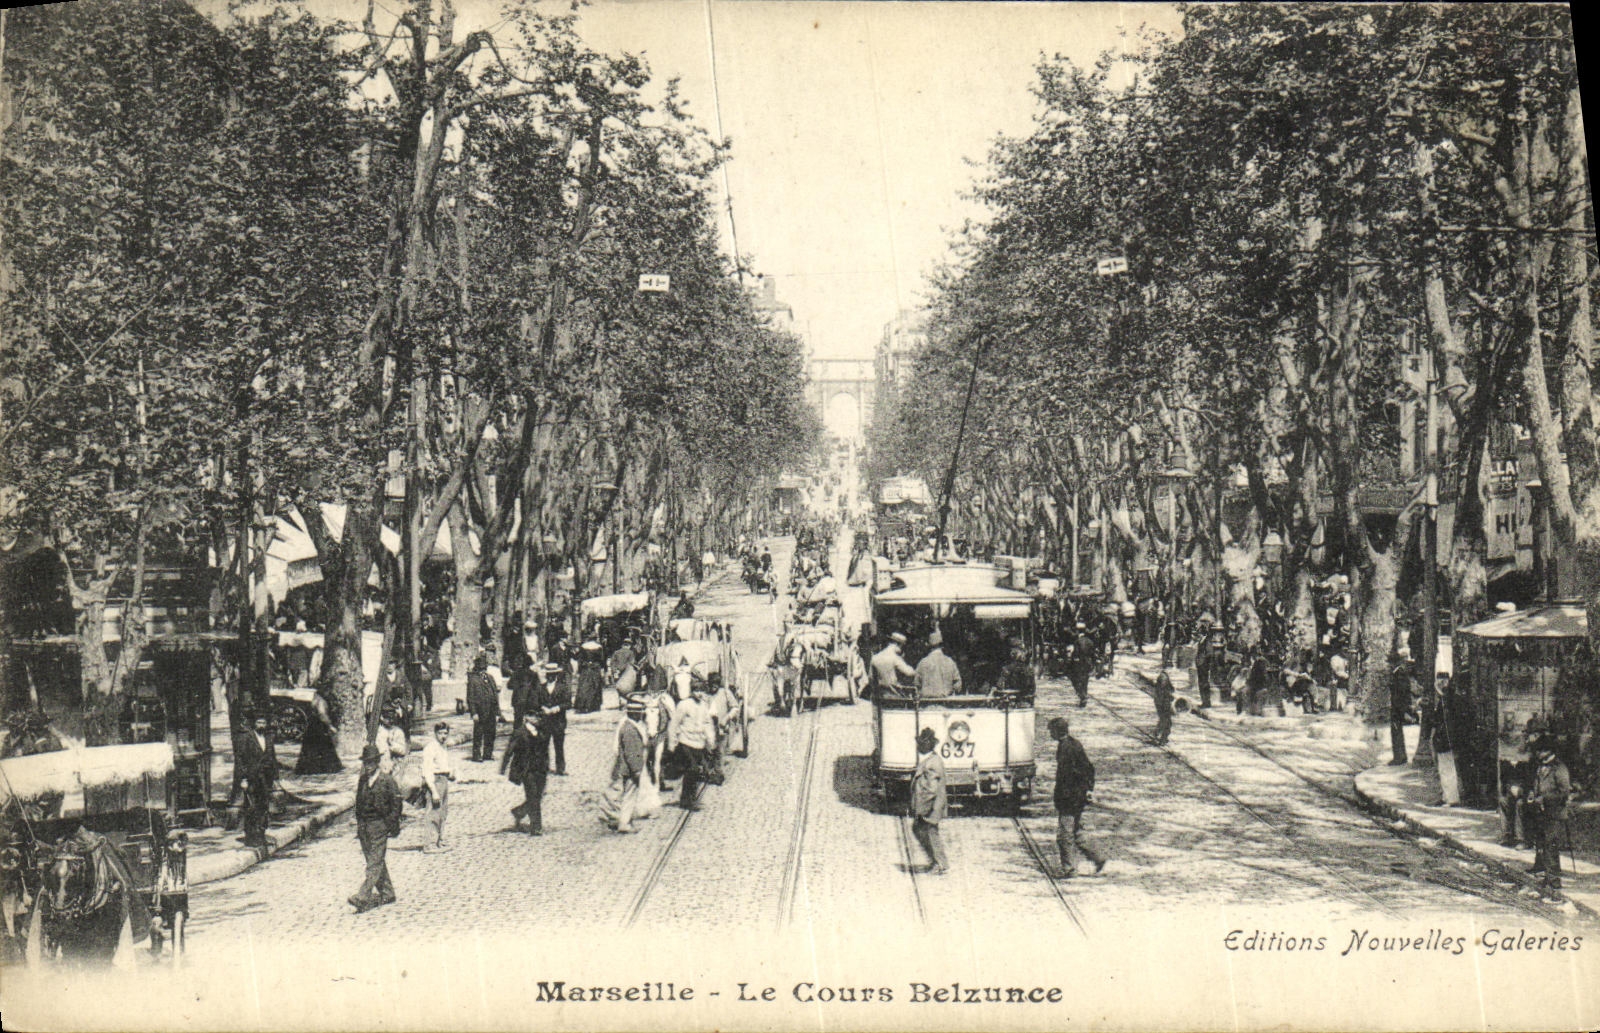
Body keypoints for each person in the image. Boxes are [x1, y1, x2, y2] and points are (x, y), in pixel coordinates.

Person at [1050, 716, 1106, 877]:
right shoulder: (1075, 743)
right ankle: (1098, 858)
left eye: (1051, 731)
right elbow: (1089, 768)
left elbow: (1066, 778)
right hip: (1077, 798)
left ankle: (1069, 869)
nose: (1050, 734)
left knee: (1064, 835)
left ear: (1057, 731)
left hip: (1069, 799)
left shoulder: (1065, 748)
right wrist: (1088, 789)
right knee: (1077, 832)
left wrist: (1064, 798)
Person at [349, 744, 402, 913]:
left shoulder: (387, 780)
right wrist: (359, 826)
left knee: (374, 862)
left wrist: (389, 824)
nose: (368, 765)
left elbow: (397, 804)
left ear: (377, 762)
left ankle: (363, 895)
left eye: (371, 762)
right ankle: (387, 892)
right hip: (365, 827)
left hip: (380, 825)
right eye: (366, 762)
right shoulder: (363, 780)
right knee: (374, 860)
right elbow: (358, 804)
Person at [1526, 734, 1571, 896]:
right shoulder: (1540, 767)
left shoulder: (1559, 768)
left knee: (1551, 845)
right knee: (1542, 844)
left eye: (1540, 750)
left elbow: (1564, 793)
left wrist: (1544, 798)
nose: (1537, 753)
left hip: (1555, 813)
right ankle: (1547, 876)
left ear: (1548, 751)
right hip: (1541, 812)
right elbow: (1537, 785)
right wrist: (1533, 794)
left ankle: (1554, 881)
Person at [602, 696, 650, 833]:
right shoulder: (630, 730)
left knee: (626, 795)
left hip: (625, 768)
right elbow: (632, 753)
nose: (642, 715)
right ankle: (624, 823)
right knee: (629, 796)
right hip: (629, 769)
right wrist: (637, 770)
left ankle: (620, 820)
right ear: (634, 713)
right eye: (641, 712)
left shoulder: (628, 726)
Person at [501, 711, 548, 835]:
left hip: (540, 769)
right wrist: (503, 768)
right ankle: (536, 827)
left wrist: (546, 765)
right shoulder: (520, 732)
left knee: (538, 795)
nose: (537, 719)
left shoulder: (541, 730)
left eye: (538, 716)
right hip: (526, 769)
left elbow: (545, 750)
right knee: (533, 796)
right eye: (534, 716)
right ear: (527, 717)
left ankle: (519, 811)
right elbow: (510, 750)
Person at [910, 727, 949, 875]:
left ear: (927, 745)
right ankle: (936, 861)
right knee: (920, 829)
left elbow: (931, 789)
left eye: (920, 744)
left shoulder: (932, 763)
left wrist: (923, 808)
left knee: (930, 832)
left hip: (931, 806)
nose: (918, 746)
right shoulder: (930, 760)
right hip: (929, 805)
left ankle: (940, 863)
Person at [674, 675, 715, 810]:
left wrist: (710, 739)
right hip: (685, 741)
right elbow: (674, 723)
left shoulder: (704, 706)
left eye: (701, 691)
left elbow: (707, 723)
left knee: (696, 773)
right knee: (693, 769)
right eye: (696, 691)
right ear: (691, 691)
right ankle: (687, 800)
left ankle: (689, 798)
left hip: (699, 743)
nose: (699, 694)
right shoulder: (684, 705)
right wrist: (673, 742)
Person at [235, 711, 275, 850]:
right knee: (251, 807)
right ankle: (251, 837)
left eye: (263, 723)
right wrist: (243, 779)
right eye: (259, 722)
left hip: (265, 778)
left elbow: (272, 757)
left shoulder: (268, 738)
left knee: (263, 807)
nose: (261, 725)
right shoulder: (247, 738)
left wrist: (275, 777)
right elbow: (241, 760)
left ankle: (261, 835)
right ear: (254, 724)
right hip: (252, 778)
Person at [420, 721, 456, 851]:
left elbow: (443, 765)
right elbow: (427, 770)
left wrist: (450, 773)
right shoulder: (430, 748)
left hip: (444, 780)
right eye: (440, 733)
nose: (443, 736)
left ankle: (439, 840)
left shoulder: (443, 747)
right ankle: (429, 844)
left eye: (445, 733)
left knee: (442, 812)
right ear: (435, 733)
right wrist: (433, 791)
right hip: (435, 781)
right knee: (433, 813)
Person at [294, 689, 343, 774]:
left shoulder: (315, 698)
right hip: (319, 726)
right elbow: (322, 715)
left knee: (310, 748)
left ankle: (309, 768)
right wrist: (330, 726)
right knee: (324, 746)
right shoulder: (321, 701)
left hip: (312, 726)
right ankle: (325, 768)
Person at [1432, 674, 1461, 807]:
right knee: (1444, 768)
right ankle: (1446, 796)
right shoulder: (1446, 698)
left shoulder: (1446, 699)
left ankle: (1452, 798)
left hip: (1446, 738)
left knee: (1447, 768)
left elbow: (1443, 718)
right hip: (1444, 738)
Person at [466, 654, 499, 763]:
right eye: (481, 668)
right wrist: (473, 713)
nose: (483, 670)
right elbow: (470, 698)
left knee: (491, 733)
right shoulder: (473, 680)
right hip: (480, 711)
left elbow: (495, 695)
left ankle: (488, 753)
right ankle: (476, 755)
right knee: (478, 733)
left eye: (484, 668)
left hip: (491, 710)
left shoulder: (490, 678)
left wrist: (497, 712)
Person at [914, 628, 962, 699]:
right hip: (945, 702)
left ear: (929, 646)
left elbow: (917, 684)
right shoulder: (950, 662)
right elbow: (958, 685)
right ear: (942, 646)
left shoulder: (922, 663)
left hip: (927, 703)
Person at [542, 661, 570, 776]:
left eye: (552, 675)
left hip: (558, 721)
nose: (550, 677)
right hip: (545, 721)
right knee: (544, 745)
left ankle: (560, 768)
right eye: (548, 674)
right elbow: (535, 701)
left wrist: (557, 708)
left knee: (559, 745)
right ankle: (544, 767)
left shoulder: (562, 687)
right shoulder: (542, 687)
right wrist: (542, 708)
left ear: (556, 675)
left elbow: (568, 703)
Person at [871, 631, 917, 696]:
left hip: (880, 695)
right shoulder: (895, 658)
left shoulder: (875, 657)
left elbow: (871, 678)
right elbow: (910, 673)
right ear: (898, 645)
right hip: (894, 695)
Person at [1066, 624, 1094, 709]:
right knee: (1085, 681)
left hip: (1079, 664)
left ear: (1078, 631)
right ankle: (1084, 696)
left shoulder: (1077, 641)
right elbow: (1092, 654)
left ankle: (1082, 696)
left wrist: (1071, 662)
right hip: (1088, 664)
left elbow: (1076, 654)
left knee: (1076, 680)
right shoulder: (1090, 641)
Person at [573, 642, 605, 713]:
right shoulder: (599, 647)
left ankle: (583, 706)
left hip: (586, 668)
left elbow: (580, 659)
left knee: (584, 687)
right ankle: (595, 706)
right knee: (595, 686)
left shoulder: (583, 647)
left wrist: (579, 670)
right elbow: (602, 660)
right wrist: (602, 669)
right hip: (595, 668)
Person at [1152, 670, 1175, 746]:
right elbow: (1163, 699)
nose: (1163, 682)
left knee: (1163, 722)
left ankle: (1157, 733)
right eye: (1162, 681)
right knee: (1167, 723)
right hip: (1163, 707)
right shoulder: (1161, 690)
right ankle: (1163, 739)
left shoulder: (1163, 688)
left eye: (1165, 680)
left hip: (1164, 707)